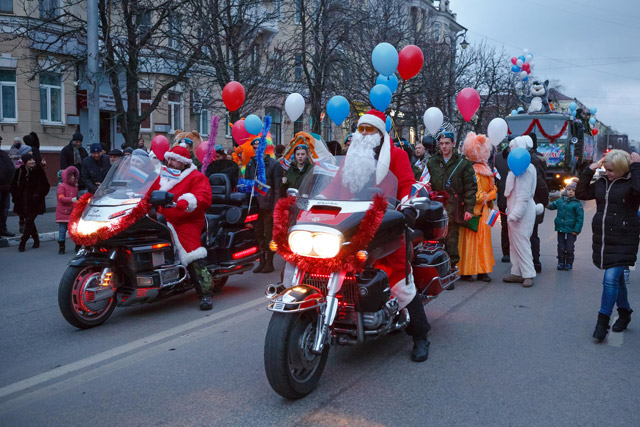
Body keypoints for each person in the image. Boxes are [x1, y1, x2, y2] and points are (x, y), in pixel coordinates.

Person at [340, 109, 431, 362]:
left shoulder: (397, 155)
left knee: (398, 276)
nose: (365, 134)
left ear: (380, 133)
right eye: (362, 129)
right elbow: (335, 185)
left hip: (386, 225)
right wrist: (318, 200)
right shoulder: (352, 157)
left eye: (370, 129)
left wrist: (408, 204)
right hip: (350, 225)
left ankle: (420, 335)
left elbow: (406, 183)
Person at [576, 150, 640, 341]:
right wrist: (589, 171)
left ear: (622, 168)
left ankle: (602, 322)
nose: (607, 173)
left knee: (610, 279)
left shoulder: (631, 185)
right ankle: (625, 313)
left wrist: (636, 166)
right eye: (606, 169)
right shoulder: (602, 182)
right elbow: (581, 192)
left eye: (611, 170)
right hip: (604, 239)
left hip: (624, 239)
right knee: (617, 279)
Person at [150, 145, 214, 310]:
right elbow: (149, 191)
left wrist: (188, 201)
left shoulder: (196, 177)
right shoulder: (164, 175)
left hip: (187, 220)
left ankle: (205, 292)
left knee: (191, 251)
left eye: (174, 160)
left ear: (183, 162)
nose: (170, 162)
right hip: (161, 218)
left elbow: (204, 197)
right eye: (169, 159)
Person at [426, 130, 477, 289]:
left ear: (453, 144)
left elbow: (470, 187)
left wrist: (469, 208)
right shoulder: (432, 162)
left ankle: (450, 272)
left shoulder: (463, 163)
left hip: (454, 206)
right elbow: (425, 182)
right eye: (441, 144)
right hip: (436, 206)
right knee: (436, 241)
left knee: (451, 240)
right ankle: (437, 272)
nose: (444, 147)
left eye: (447, 143)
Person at [457, 133, 497, 282]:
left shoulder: (482, 170)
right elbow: (478, 196)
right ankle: (470, 271)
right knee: (473, 242)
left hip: (480, 212)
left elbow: (489, 190)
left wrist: (490, 194)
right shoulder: (474, 171)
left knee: (478, 242)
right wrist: (491, 194)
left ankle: (478, 270)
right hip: (475, 211)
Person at [503, 136, 538, 288]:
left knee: (522, 244)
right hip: (514, 212)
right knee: (514, 244)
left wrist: (515, 214)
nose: (510, 150)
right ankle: (516, 271)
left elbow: (523, 196)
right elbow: (513, 194)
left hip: (522, 214)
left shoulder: (525, 169)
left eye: (512, 147)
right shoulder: (517, 167)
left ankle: (528, 273)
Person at [245, 139, 283, 274]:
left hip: (268, 206)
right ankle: (261, 261)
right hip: (256, 206)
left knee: (269, 236)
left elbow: (278, 189)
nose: (257, 150)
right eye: (254, 148)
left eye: (259, 148)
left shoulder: (274, 165)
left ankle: (269, 262)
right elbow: (247, 185)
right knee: (258, 235)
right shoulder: (251, 164)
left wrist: (275, 208)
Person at [10, 153, 50, 252]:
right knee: (29, 221)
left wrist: (38, 195)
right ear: (25, 161)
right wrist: (15, 197)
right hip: (22, 202)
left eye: (33, 160)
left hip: (35, 202)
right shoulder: (20, 170)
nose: (32, 161)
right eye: (29, 160)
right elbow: (13, 185)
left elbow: (46, 186)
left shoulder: (38, 170)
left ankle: (23, 241)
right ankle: (36, 239)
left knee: (29, 221)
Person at [547, 180, 583, 270]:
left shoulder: (577, 204)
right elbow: (552, 206)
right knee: (561, 246)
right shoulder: (560, 200)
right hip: (561, 228)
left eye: (573, 190)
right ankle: (561, 262)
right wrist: (546, 202)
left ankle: (569, 263)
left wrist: (577, 230)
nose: (571, 192)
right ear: (566, 190)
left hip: (571, 230)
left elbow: (580, 218)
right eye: (569, 189)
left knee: (570, 247)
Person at [527, 133, 549, 273]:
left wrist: (543, 200)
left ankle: (533, 262)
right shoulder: (539, 158)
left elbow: (541, 185)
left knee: (530, 234)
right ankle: (534, 262)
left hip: (532, 202)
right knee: (533, 233)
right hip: (536, 202)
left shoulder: (530, 160)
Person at [56, 166, 79, 254]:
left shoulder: (75, 186)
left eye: (74, 175)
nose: (73, 177)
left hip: (73, 211)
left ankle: (78, 245)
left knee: (75, 230)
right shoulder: (62, 186)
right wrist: (71, 199)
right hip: (63, 212)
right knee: (62, 230)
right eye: (71, 175)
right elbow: (61, 198)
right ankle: (61, 246)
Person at [494, 140, 511, 263]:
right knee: (505, 227)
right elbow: (493, 177)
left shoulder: (524, 157)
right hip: (503, 199)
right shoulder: (497, 158)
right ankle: (506, 252)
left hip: (518, 200)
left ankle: (516, 251)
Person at [0, 135, 16, 236]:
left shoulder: (3, 154)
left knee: (4, 209)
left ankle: (2, 229)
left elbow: (10, 168)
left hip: (6, 187)